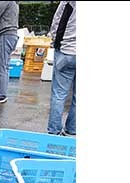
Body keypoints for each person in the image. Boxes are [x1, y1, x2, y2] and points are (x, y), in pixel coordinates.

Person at [47, 0, 76, 136]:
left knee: (59, 94)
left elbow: (57, 22)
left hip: (67, 51)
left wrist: (55, 42)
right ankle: (72, 130)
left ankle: (54, 131)